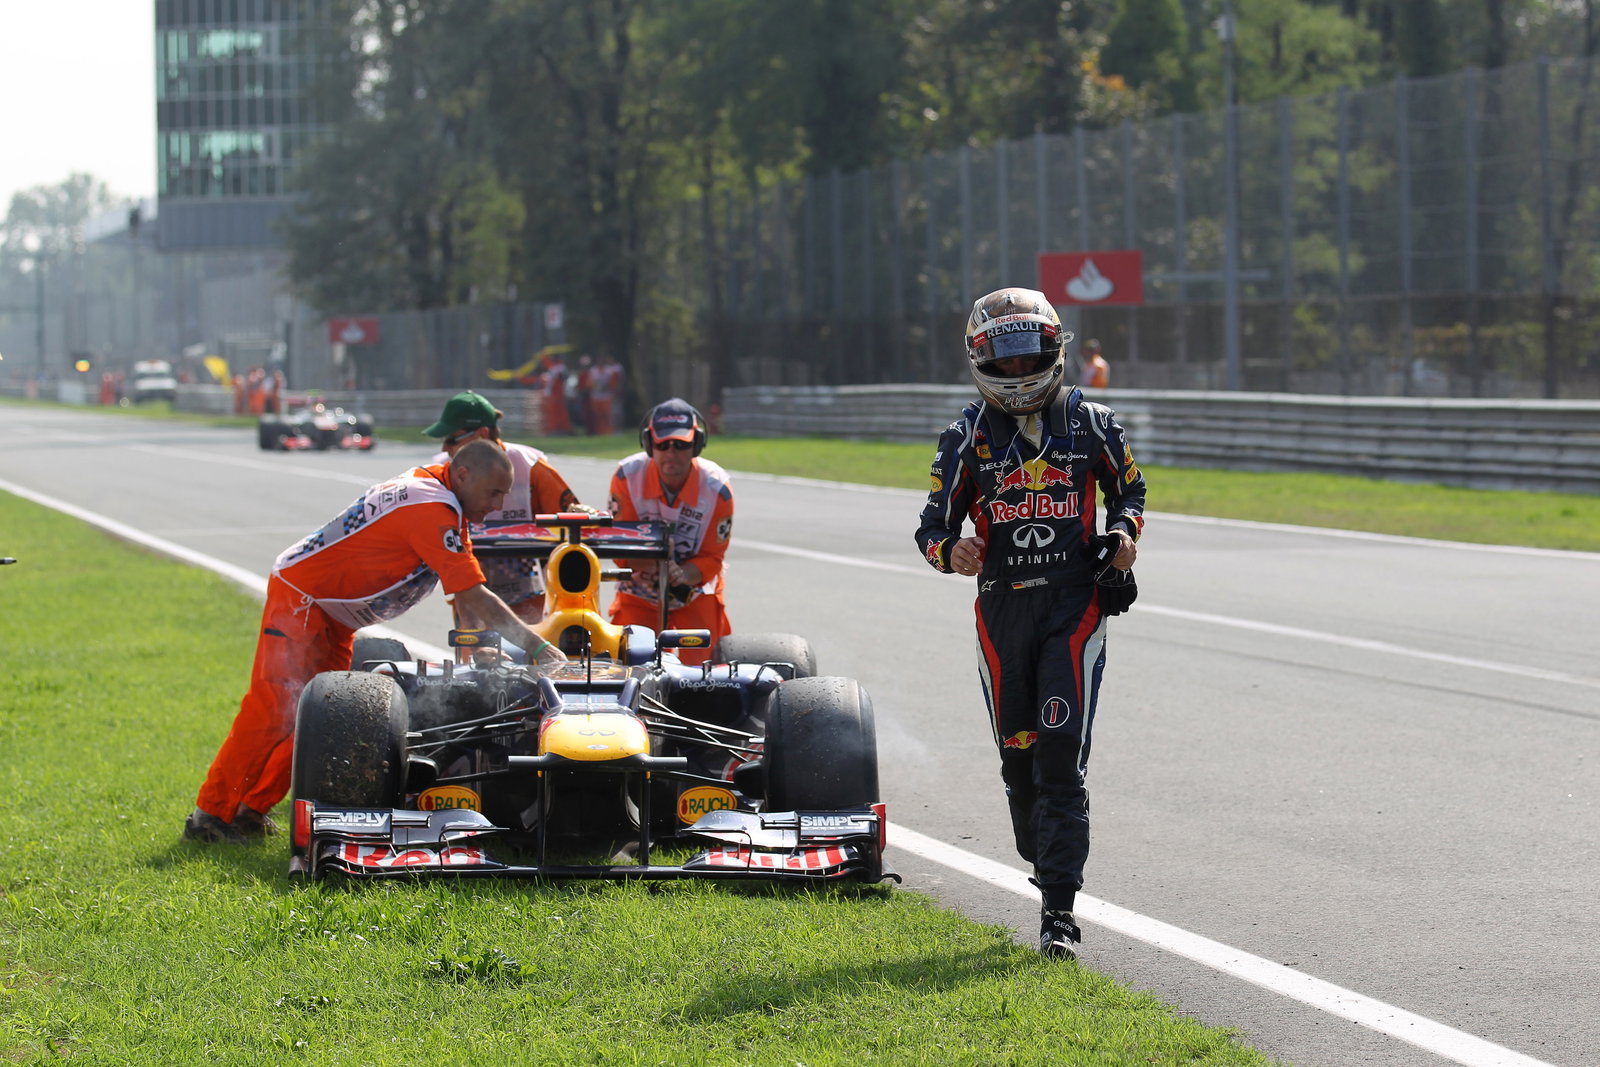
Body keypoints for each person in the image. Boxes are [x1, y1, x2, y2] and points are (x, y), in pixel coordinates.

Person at [183, 439, 568, 845]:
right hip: (303, 600)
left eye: (504, 493)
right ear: (463, 474)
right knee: (274, 709)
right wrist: (537, 646)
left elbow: (465, 593)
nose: (498, 503)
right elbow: (474, 595)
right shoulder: (430, 508)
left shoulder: (449, 506)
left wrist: (479, 648)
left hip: (330, 613)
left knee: (319, 715)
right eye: (494, 492)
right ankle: (209, 815)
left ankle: (250, 810)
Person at [915, 287, 1144, 960]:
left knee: (1060, 753)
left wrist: (1123, 534)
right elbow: (931, 527)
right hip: (1002, 607)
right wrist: (949, 553)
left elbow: (1129, 489)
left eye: (1028, 360)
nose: (1017, 375)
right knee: (1020, 764)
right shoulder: (964, 436)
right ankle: (1039, 854)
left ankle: (1059, 915)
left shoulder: (1093, 421)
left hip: (1075, 605)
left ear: (1053, 352)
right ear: (982, 361)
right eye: (1003, 363)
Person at [424, 390, 587, 623]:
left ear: (481, 435)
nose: (444, 448)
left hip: (527, 599)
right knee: (474, 658)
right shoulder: (440, 470)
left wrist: (581, 514)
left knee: (532, 654)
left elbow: (574, 525)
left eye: (452, 439)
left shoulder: (529, 464)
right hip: (470, 597)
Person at [606, 398, 733, 666]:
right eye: (663, 445)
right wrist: (656, 567)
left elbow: (713, 558)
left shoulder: (717, 488)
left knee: (706, 673)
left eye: (681, 444)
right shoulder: (626, 477)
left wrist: (682, 574)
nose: (671, 453)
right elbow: (620, 550)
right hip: (638, 590)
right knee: (625, 663)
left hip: (694, 592)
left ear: (696, 445)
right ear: (649, 445)